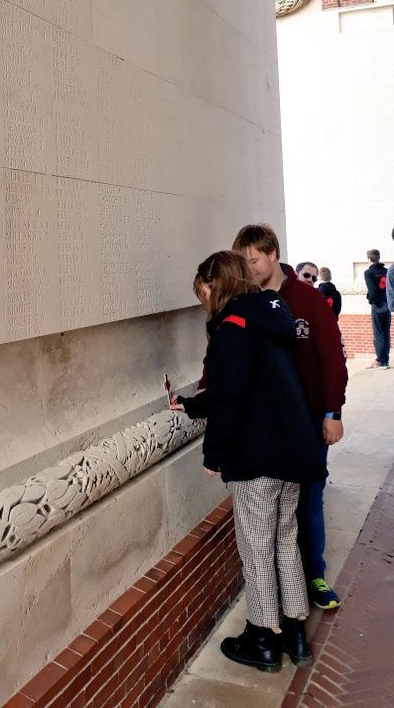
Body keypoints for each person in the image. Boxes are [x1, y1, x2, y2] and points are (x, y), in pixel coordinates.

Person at [173, 251, 323, 672]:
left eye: (201, 290)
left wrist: (213, 454)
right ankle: (294, 632)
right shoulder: (268, 318)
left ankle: (261, 639)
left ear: (212, 284)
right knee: (285, 542)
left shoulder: (231, 326)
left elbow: (231, 397)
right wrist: (188, 405)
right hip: (290, 451)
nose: (202, 298)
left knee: (257, 551)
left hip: (256, 456)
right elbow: (248, 387)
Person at [232, 224, 347, 611]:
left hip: (311, 420)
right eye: (243, 262)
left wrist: (333, 412)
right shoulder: (245, 301)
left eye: (255, 259)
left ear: (273, 253)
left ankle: (314, 576)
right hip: (265, 425)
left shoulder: (308, 300)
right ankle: (284, 586)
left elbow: (333, 359)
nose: (250, 268)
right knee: (277, 513)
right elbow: (225, 350)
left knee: (309, 500)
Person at [364, 249, 390, 369]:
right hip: (387, 304)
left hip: (378, 305)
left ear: (369, 259)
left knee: (378, 333)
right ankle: (385, 360)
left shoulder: (369, 273)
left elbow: (372, 291)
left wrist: (371, 300)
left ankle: (380, 361)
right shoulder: (387, 271)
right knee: (386, 332)